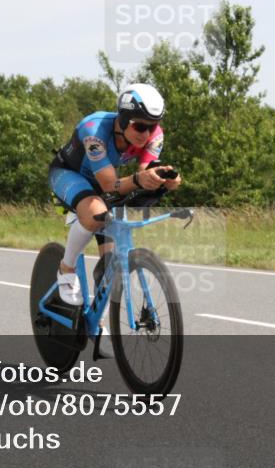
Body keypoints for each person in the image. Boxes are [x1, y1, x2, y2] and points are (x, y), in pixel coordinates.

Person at [48, 83, 182, 305]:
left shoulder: (153, 135)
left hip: (103, 181)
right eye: (140, 126)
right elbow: (110, 184)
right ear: (122, 119)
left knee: (110, 267)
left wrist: (163, 180)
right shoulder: (94, 130)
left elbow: (144, 172)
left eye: (152, 126)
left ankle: (96, 320)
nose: (146, 134)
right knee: (94, 214)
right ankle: (66, 268)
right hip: (69, 174)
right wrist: (139, 180)